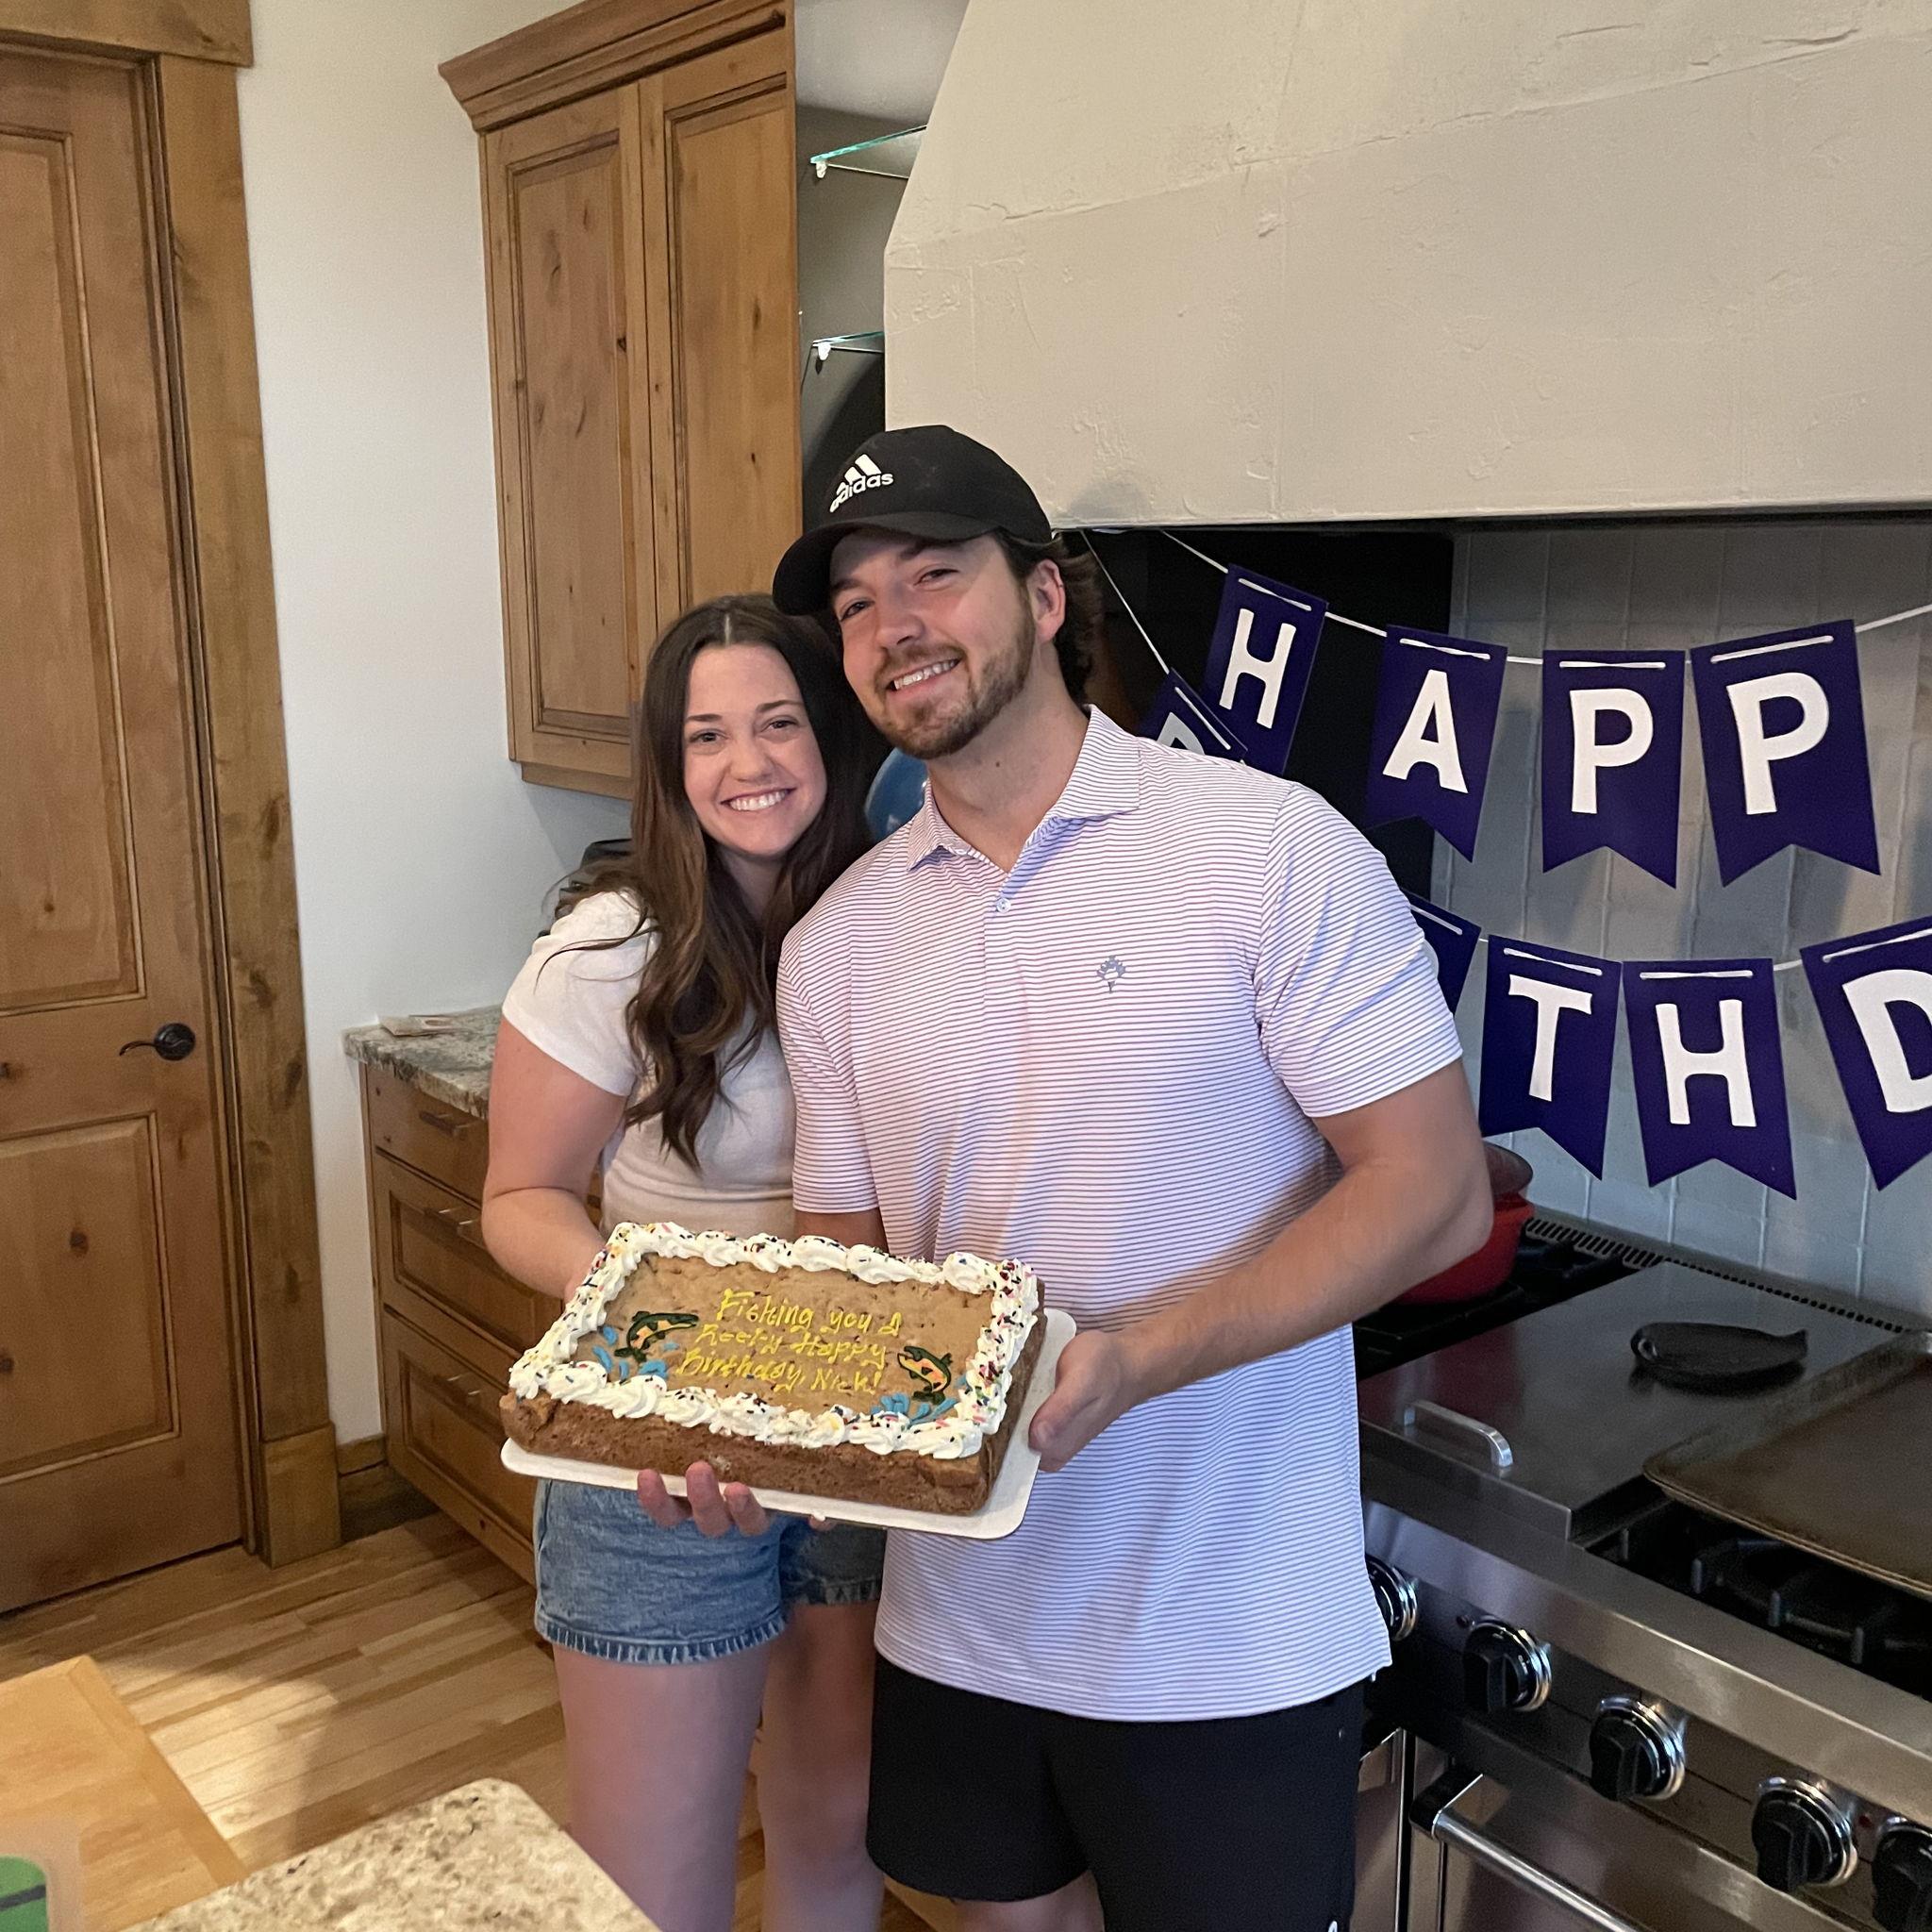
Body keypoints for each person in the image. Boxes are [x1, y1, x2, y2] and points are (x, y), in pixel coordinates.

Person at [761, 426, 1491, 1932]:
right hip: (961, 1625)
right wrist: (762, 1443)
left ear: (1045, 597)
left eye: (934, 574)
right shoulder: (836, 943)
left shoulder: (1264, 849)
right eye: (855, 602)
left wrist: (1141, 1356)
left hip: (1225, 1637)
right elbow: (851, 1290)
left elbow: (1435, 1192)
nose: (893, 625)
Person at [480, 595, 888, 1932]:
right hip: (660, 1458)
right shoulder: (609, 953)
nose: (746, 763)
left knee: (837, 1848)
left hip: (864, 1441)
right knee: (652, 1884)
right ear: (669, 765)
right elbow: (522, 1197)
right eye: (706, 735)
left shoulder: (904, 925)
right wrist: (659, 1324)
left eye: (779, 723)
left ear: (833, 737)